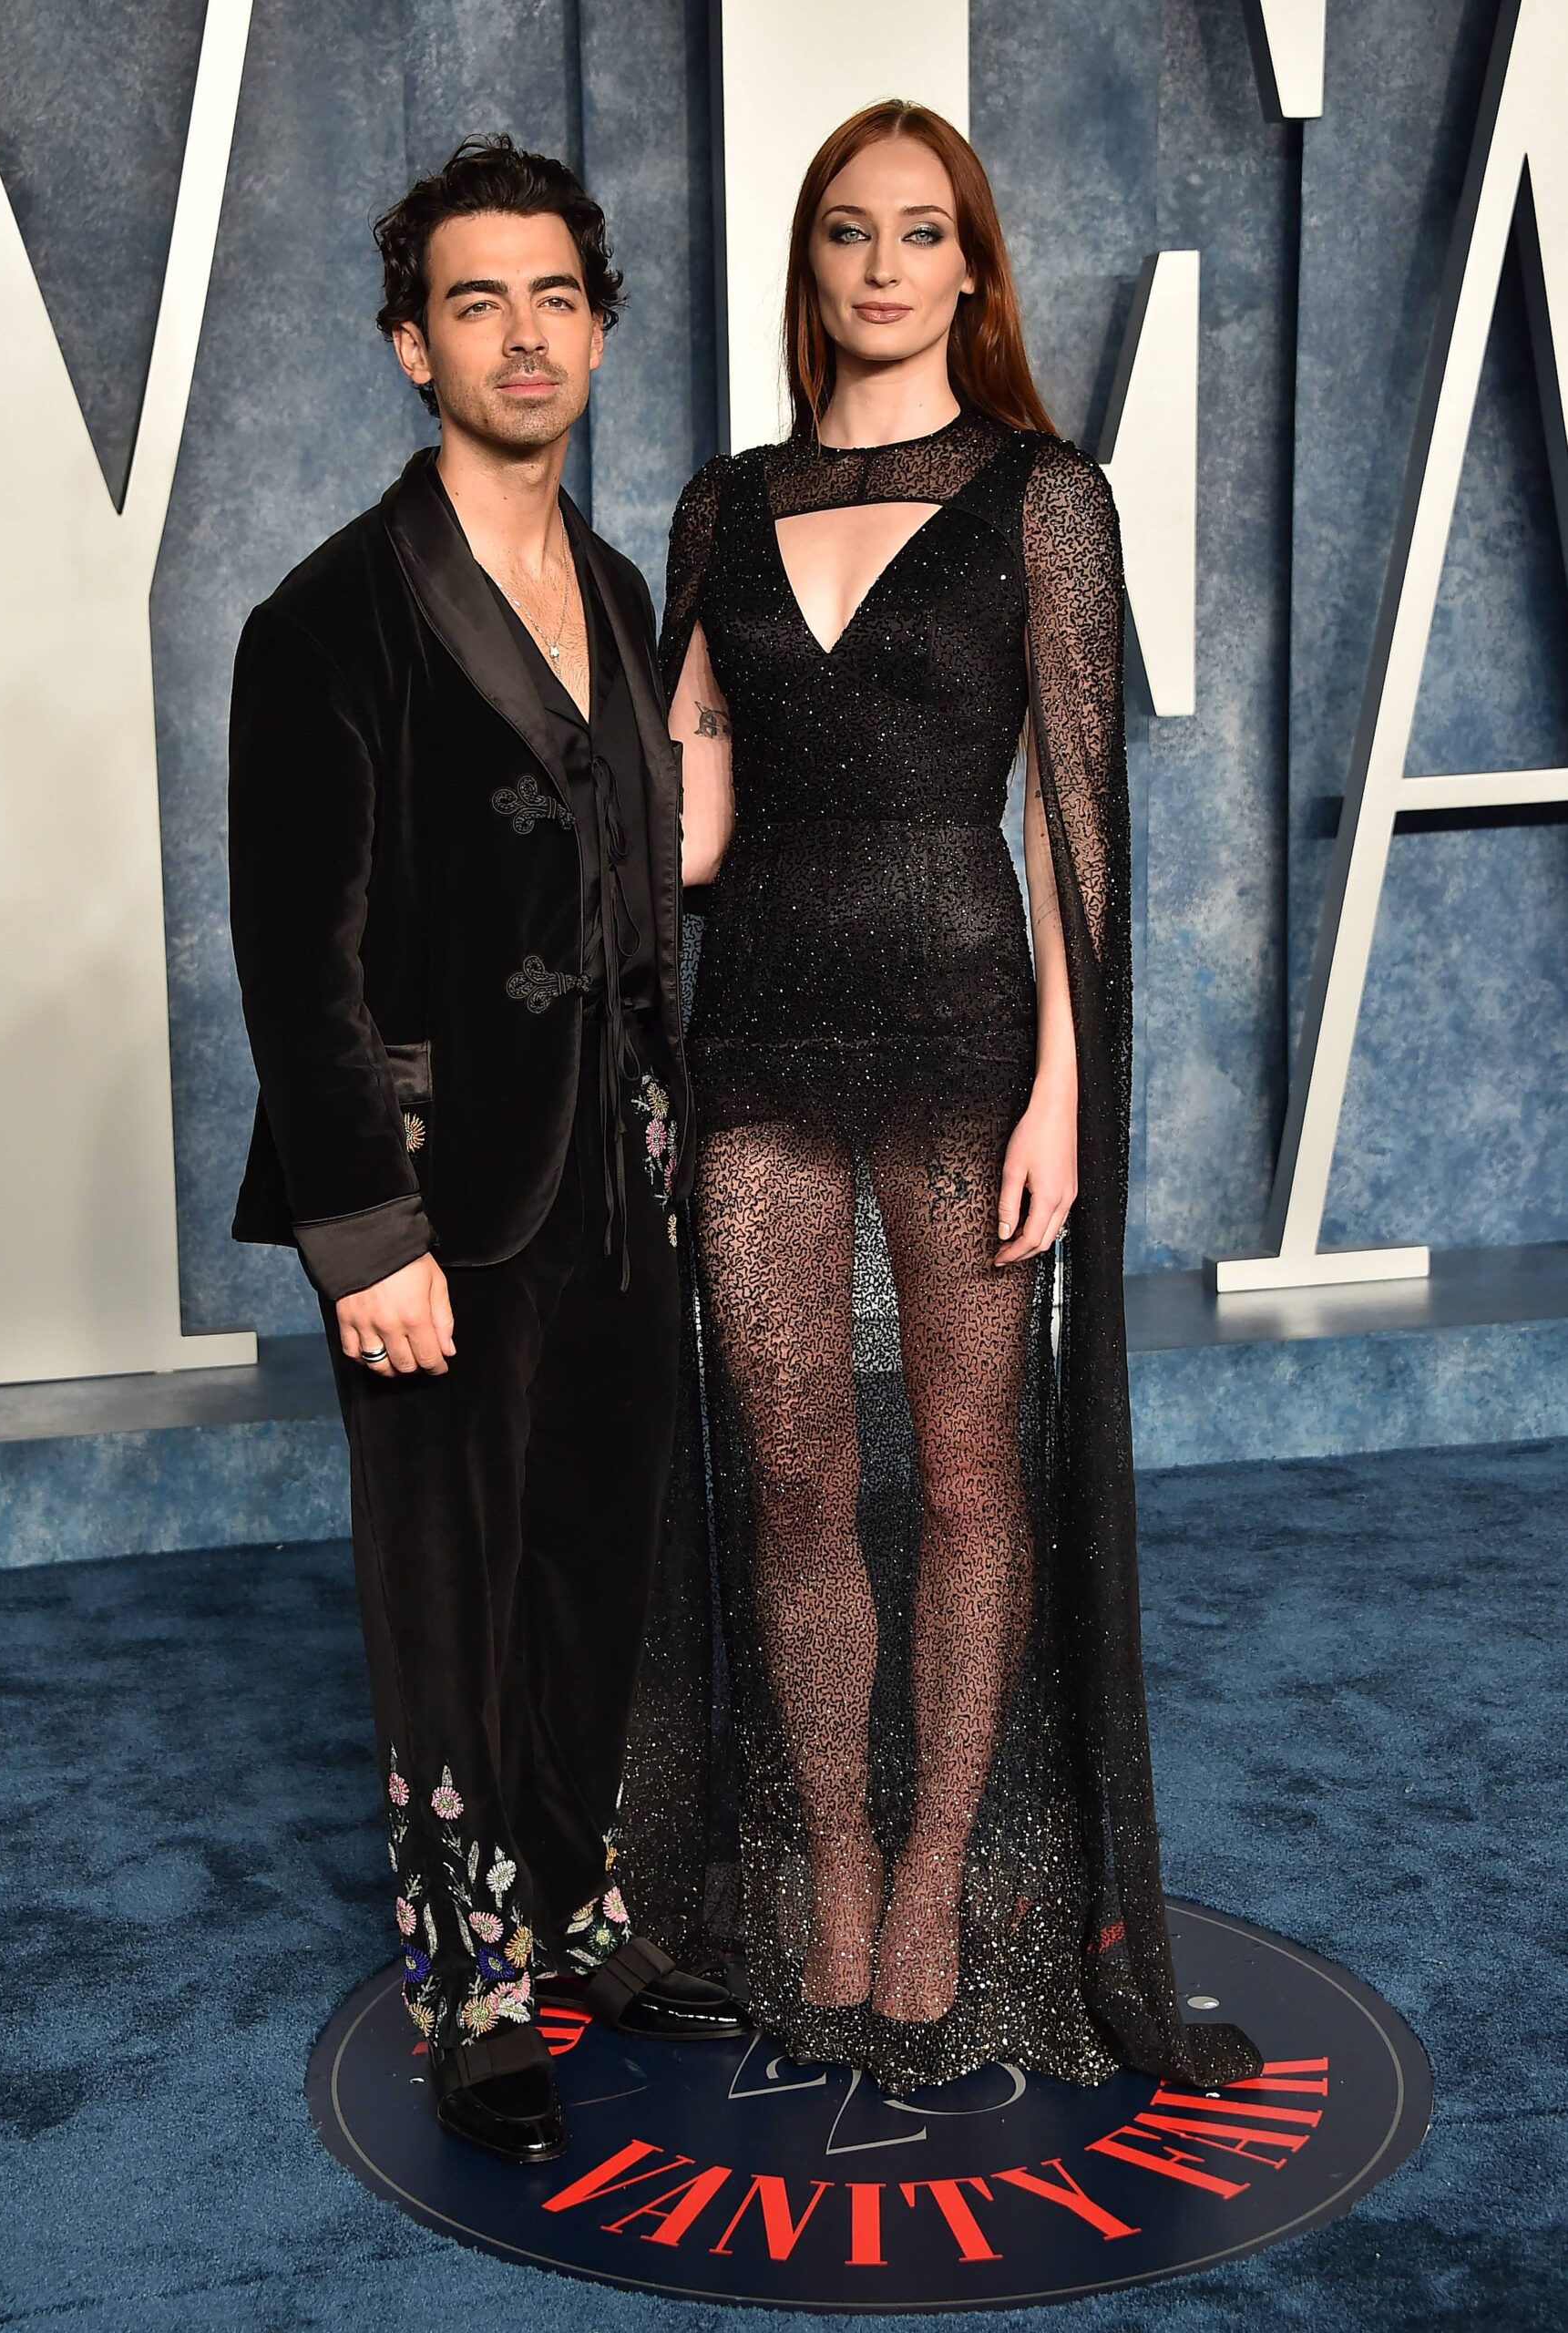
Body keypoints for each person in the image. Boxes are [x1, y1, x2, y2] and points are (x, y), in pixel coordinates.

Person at [631, 100, 1261, 2096]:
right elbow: (688, 814)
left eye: (922, 232)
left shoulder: (1039, 499)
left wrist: (1066, 1088)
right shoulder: (718, 508)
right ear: (806, 264)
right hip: (759, 1042)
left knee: (972, 1479)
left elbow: (1078, 829)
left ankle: (926, 1884)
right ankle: (827, 1861)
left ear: (970, 269)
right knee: (795, 1475)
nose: (884, 264)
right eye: (847, 230)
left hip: (969, 1035)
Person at [227, 135, 745, 2169]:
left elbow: (631, 891)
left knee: (595, 1560)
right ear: (405, 348)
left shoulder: (617, 593)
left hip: (616, 1173)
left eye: (552, 298)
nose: (520, 336)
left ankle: (575, 1898)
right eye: (473, 303)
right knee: (444, 1584)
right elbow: (298, 948)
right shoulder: (326, 617)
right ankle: (466, 1968)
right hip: (432, 1193)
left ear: (597, 333)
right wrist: (366, 1236)